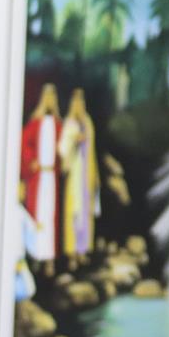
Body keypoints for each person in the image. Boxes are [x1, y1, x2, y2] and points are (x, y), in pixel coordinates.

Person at [19, 83, 62, 271]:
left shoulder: (58, 124)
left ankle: (49, 259)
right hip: (39, 177)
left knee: (51, 216)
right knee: (37, 215)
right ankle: (36, 255)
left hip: (51, 177)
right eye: (48, 97)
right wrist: (31, 160)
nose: (50, 100)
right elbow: (24, 143)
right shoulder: (36, 123)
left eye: (53, 97)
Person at [58, 88, 99, 266]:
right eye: (76, 102)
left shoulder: (88, 122)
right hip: (74, 171)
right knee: (74, 211)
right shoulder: (69, 123)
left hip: (86, 172)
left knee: (84, 212)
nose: (78, 105)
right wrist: (75, 139)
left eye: (81, 102)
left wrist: (95, 173)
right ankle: (72, 253)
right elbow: (62, 148)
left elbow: (92, 150)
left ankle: (83, 250)